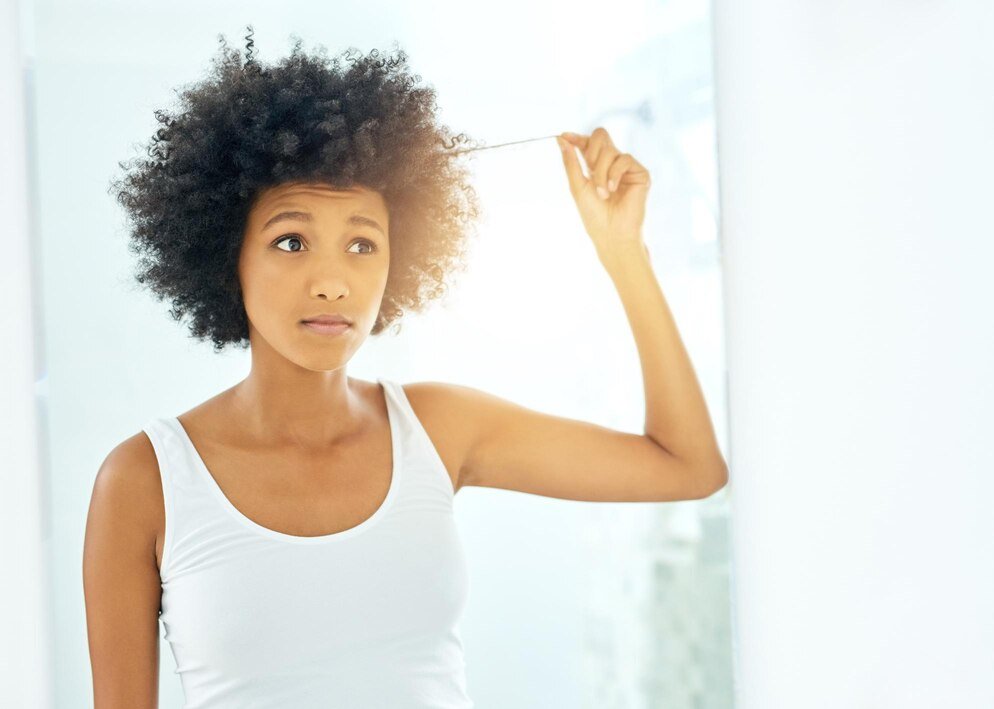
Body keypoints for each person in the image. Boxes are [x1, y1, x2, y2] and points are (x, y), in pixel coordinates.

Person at [82, 26, 728, 709]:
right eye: (291, 241)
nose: (333, 283)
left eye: (363, 244)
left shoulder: (438, 428)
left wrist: (623, 252)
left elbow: (687, 466)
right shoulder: (145, 481)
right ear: (226, 255)